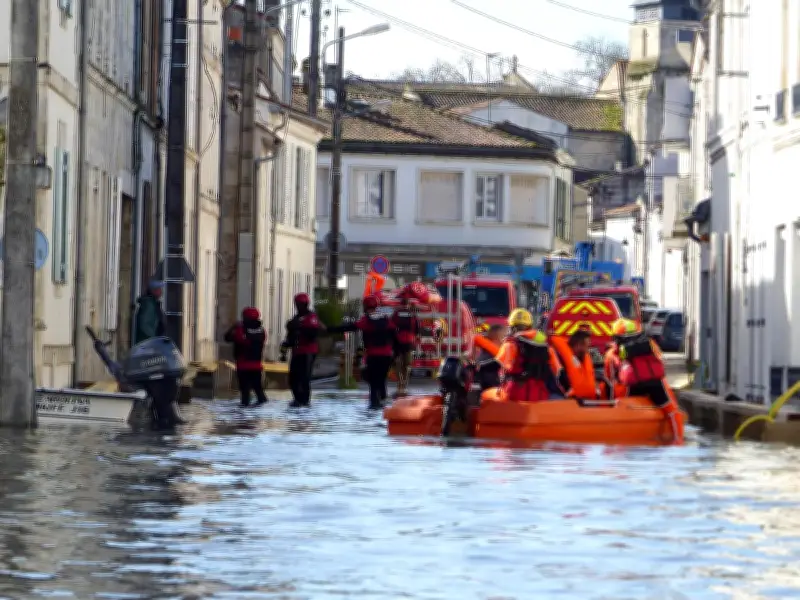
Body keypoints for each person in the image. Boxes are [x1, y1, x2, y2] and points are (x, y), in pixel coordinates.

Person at [608, 318, 681, 440]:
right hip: (654, 382)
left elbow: (613, 376)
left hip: (633, 384)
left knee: (623, 407)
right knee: (671, 411)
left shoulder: (614, 352)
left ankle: (625, 435)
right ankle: (678, 439)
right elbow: (660, 360)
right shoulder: (649, 344)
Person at [328, 295, 395, 409]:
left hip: (373, 354)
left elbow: (351, 327)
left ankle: (374, 403)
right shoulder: (386, 319)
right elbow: (394, 333)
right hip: (386, 354)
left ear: (365, 306)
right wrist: (395, 352)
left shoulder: (366, 320)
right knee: (381, 378)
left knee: (373, 381)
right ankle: (383, 400)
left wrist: (330, 329)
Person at [495, 308, 563, 402]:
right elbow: (557, 372)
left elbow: (501, 371)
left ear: (511, 327)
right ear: (530, 326)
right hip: (539, 395)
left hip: (514, 395)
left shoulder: (509, 345)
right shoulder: (546, 347)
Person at [280, 293, 323, 407]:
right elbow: (290, 337)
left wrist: (299, 327)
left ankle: (305, 400)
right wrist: (284, 349)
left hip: (308, 351)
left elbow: (313, 334)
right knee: (293, 378)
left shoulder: (311, 317)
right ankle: (297, 399)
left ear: (306, 304)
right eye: (297, 304)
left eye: (300, 304)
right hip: (297, 351)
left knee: (304, 377)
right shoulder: (296, 318)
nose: (298, 306)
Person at [224, 307, 268, 407]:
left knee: (245, 392)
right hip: (256, 365)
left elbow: (227, 338)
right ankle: (262, 407)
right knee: (259, 390)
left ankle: (245, 409)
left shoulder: (240, 330)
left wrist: (233, 327)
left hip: (243, 365)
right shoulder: (262, 330)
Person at [551, 328, 600, 399]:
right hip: (569, 400)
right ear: (578, 345)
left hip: (588, 400)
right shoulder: (560, 359)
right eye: (587, 346)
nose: (588, 349)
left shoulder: (584, 358)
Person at [390, 293, 420, 397]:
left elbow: (391, 327)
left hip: (398, 341)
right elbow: (417, 329)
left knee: (397, 363)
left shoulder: (396, 313)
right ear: (408, 304)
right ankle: (404, 384)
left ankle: (400, 382)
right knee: (407, 364)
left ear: (401, 303)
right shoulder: (412, 314)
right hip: (409, 342)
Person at [133, 280, 167, 345]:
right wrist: (153, 339)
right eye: (159, 289)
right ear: (153, 291)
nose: (161, 291)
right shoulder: (149, 304)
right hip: (147, 344)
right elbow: (144, 324)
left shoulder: (153, 303)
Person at [475, 324, 504, 390]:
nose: (503, 339)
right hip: (489, 383)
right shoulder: (488, 350)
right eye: (502, 336)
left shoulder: (494, 348)